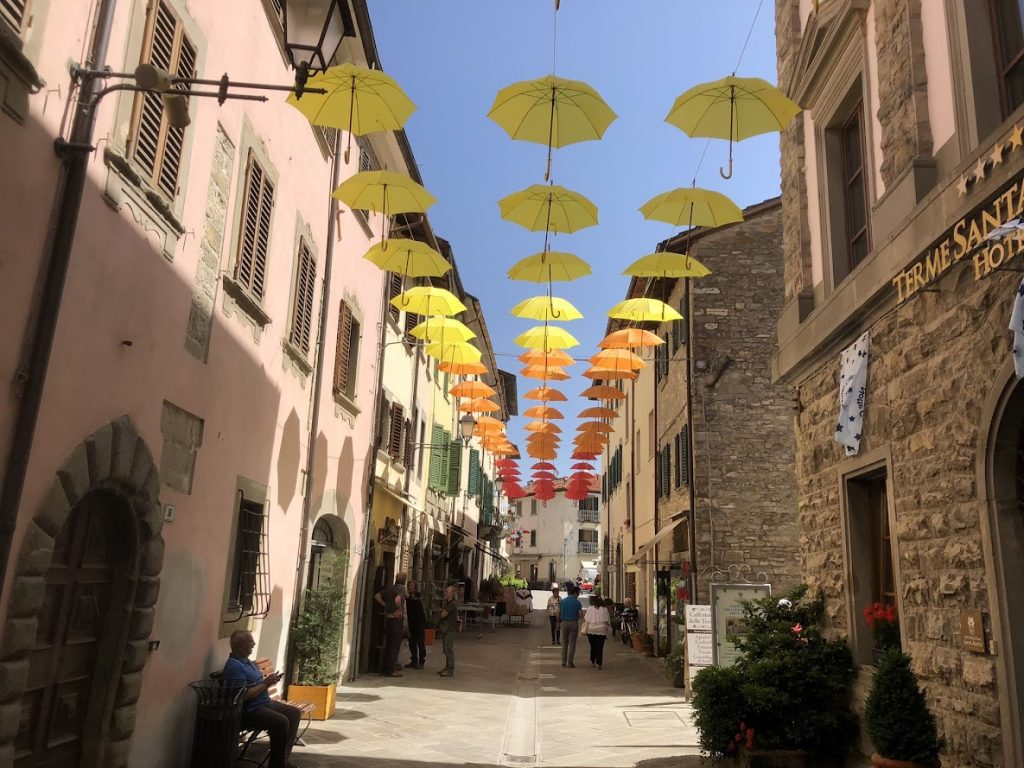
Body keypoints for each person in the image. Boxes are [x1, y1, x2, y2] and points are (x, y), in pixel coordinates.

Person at [222, 631, 301, 768]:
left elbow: (258, 684)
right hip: (250, 710)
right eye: (250, 641)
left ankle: (283, 761)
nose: (253, 644)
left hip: (264, 703)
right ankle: (277, 765)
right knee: (281, 721)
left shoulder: (248, 662)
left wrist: (270, 681)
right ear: (240, 645)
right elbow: (243, 696)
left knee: (294, 713)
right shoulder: (234, 667)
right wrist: (266, 683)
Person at [374, 572, 407, 677]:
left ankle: (383, 669)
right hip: (396, 620)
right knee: (394, 646)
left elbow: (377, 596)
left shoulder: (390, 588)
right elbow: (398, 599)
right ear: (404, 580)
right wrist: (399, 609)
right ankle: (390, 670)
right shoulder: (401, 589)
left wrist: (385, 605)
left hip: (388, 619)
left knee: (388, 645)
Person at [558, 586, 583, 668]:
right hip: (573, 623)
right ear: (575, 593)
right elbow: (580, 615)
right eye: (578, 593)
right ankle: (570, 662)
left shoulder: (562, 601)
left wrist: (558, 623)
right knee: (572, 643)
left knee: (565, 642)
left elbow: (558, 612)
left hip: (564, 623)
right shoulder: (578, 603)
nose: (578, 595)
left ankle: (563, 662)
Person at [437, 584, 459, 677]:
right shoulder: (449, 603)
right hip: (447, 629)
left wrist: (441, 612)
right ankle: (447, 667)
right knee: (446, 648)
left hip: (450, 629)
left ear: (452, 593)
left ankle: (450, 669)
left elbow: (443, 614)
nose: (445, 593)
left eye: (447, 592)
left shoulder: (452, 604)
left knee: (448, 649)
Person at [404, 578, 426, 669]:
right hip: (412, 623)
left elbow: (416, 600)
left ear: (415, 587)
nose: (409, 587)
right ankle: (414, 660)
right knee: (412, 642)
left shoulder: (417, 596)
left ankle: (421, 661)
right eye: (409, 586)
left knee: (420, 643)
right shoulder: (409, 597)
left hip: (419, 623)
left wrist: (408, 597)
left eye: (411, 586)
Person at [585, 597, 612, 669]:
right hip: (601, 630)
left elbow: (586, 618)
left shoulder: (590, 608)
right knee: (600, 647)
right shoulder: (605, 609)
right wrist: (607, 627)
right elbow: (607, 620)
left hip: (591, 630)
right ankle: (598, 663)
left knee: (593, 646)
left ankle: (592, 660)